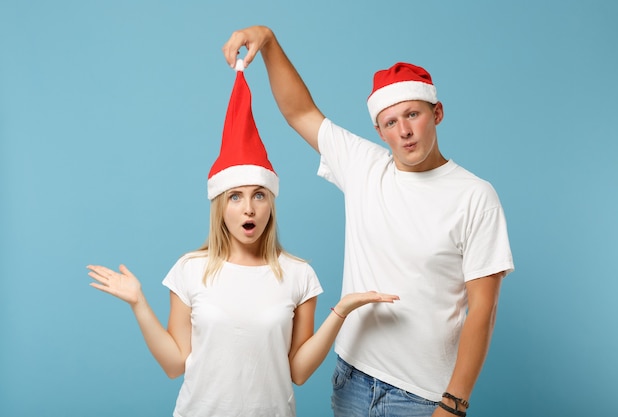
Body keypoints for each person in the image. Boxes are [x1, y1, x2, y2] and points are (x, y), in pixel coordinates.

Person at [222, 26, 515, 417]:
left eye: (413, 115)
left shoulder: (475, 196)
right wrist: (270, 43)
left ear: (437, 113)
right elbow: (299, 112)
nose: (405, 131)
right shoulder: (364, 166)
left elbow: (483, 309)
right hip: (352, 379)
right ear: (379, 131)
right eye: (391, 122)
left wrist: (454, 402)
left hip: (423, 395)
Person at [87, 60, 399, 417]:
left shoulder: (299, 276)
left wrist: (340, 312)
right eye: (235, 196)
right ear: (220, 206)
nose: (249, 208)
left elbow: (298, 372)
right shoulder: (190, 270)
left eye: (259, 195)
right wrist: (138, 303)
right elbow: (175, 364)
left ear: (271, 204)